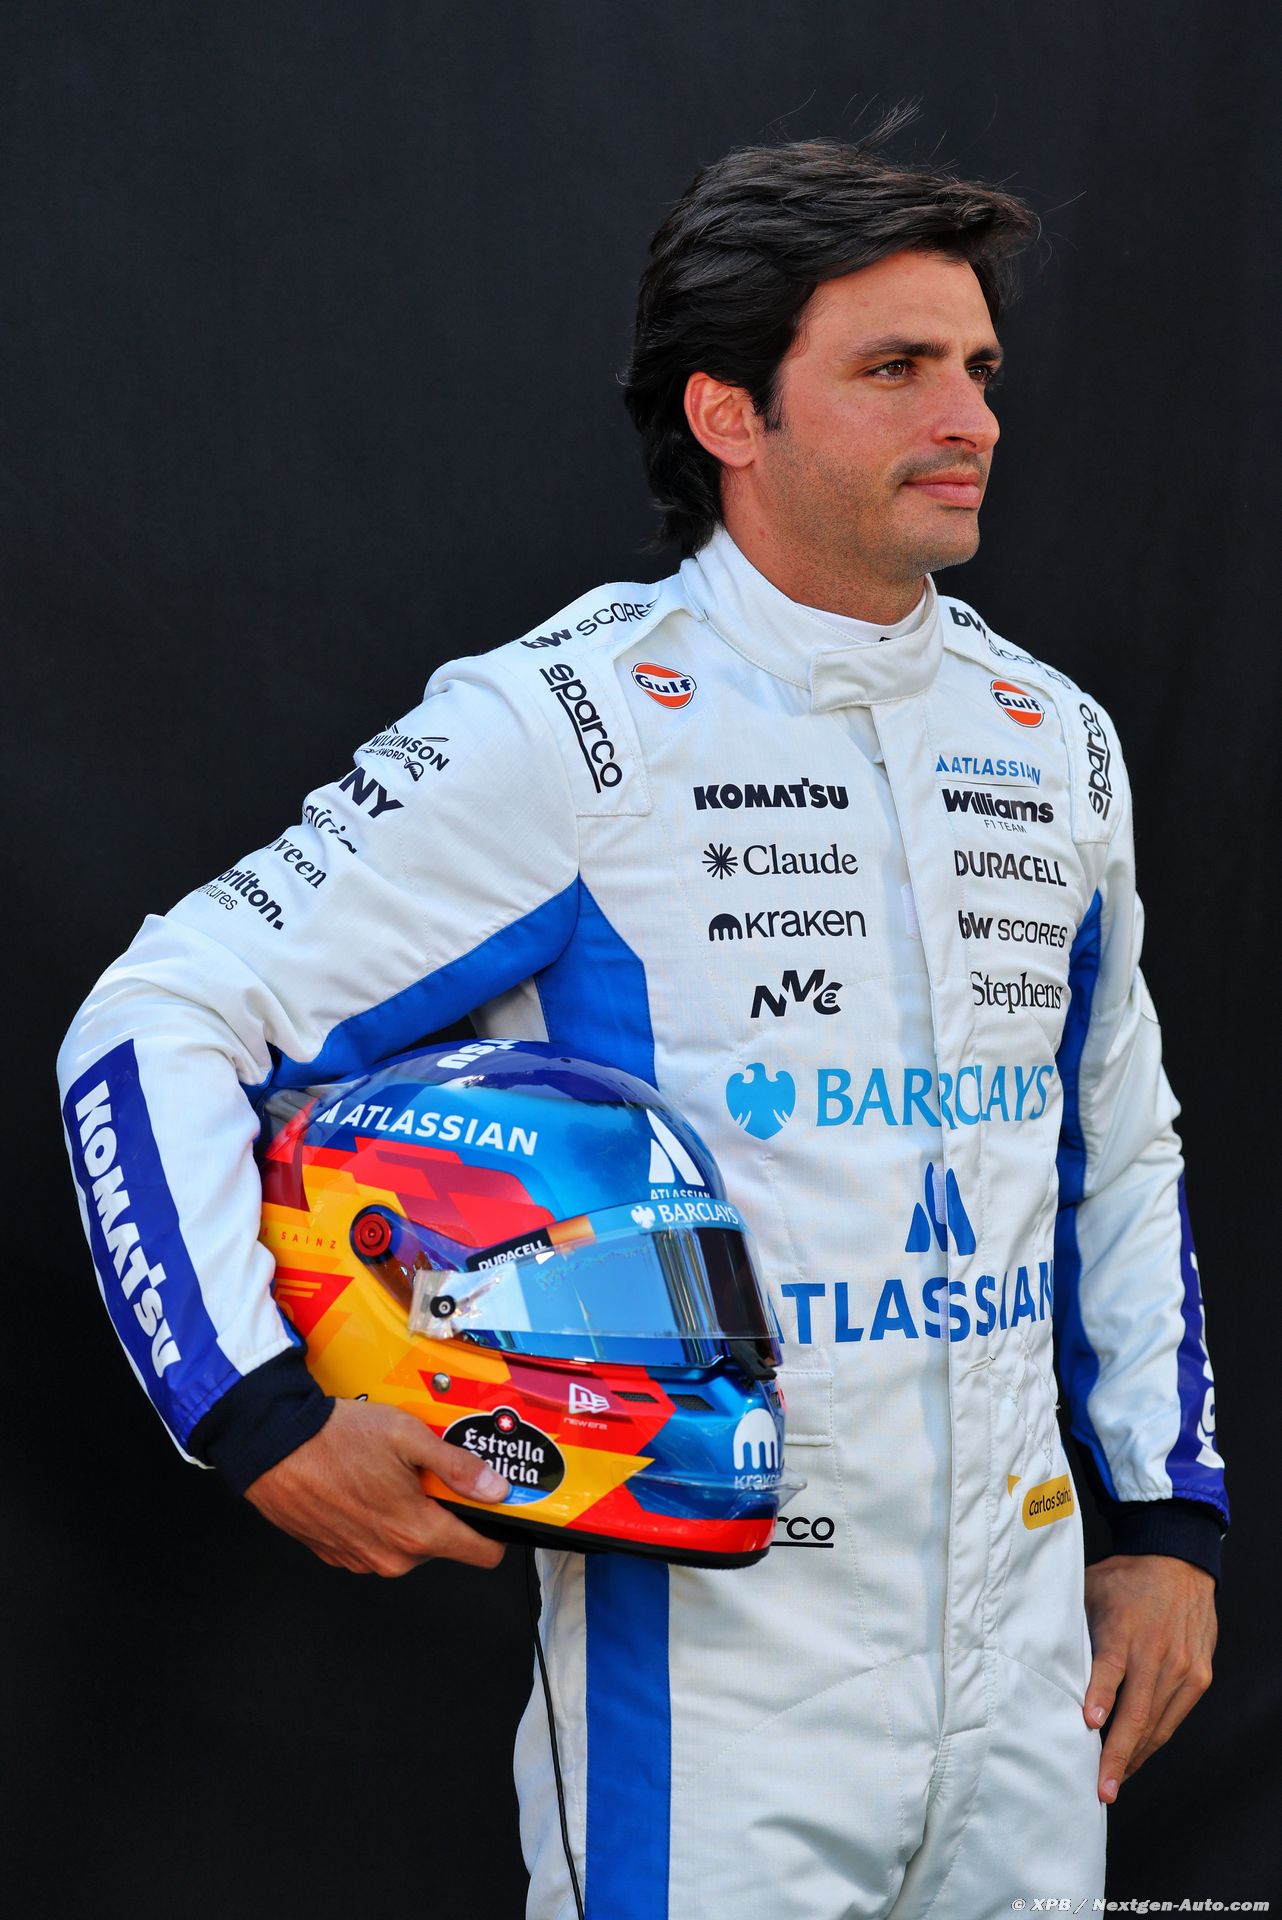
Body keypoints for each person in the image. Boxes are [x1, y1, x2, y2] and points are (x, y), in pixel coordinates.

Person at [59, 123, 1226, 1919]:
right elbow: (156, 1020)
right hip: (717, 1665)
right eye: (897, 368)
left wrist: (1162, 1522)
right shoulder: (570, 725)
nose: (970, 418)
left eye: (978, 367)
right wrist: (255, 1411)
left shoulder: (1053, 737)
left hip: (1028, 1667)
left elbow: (1118, 1148)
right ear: (726, 413)